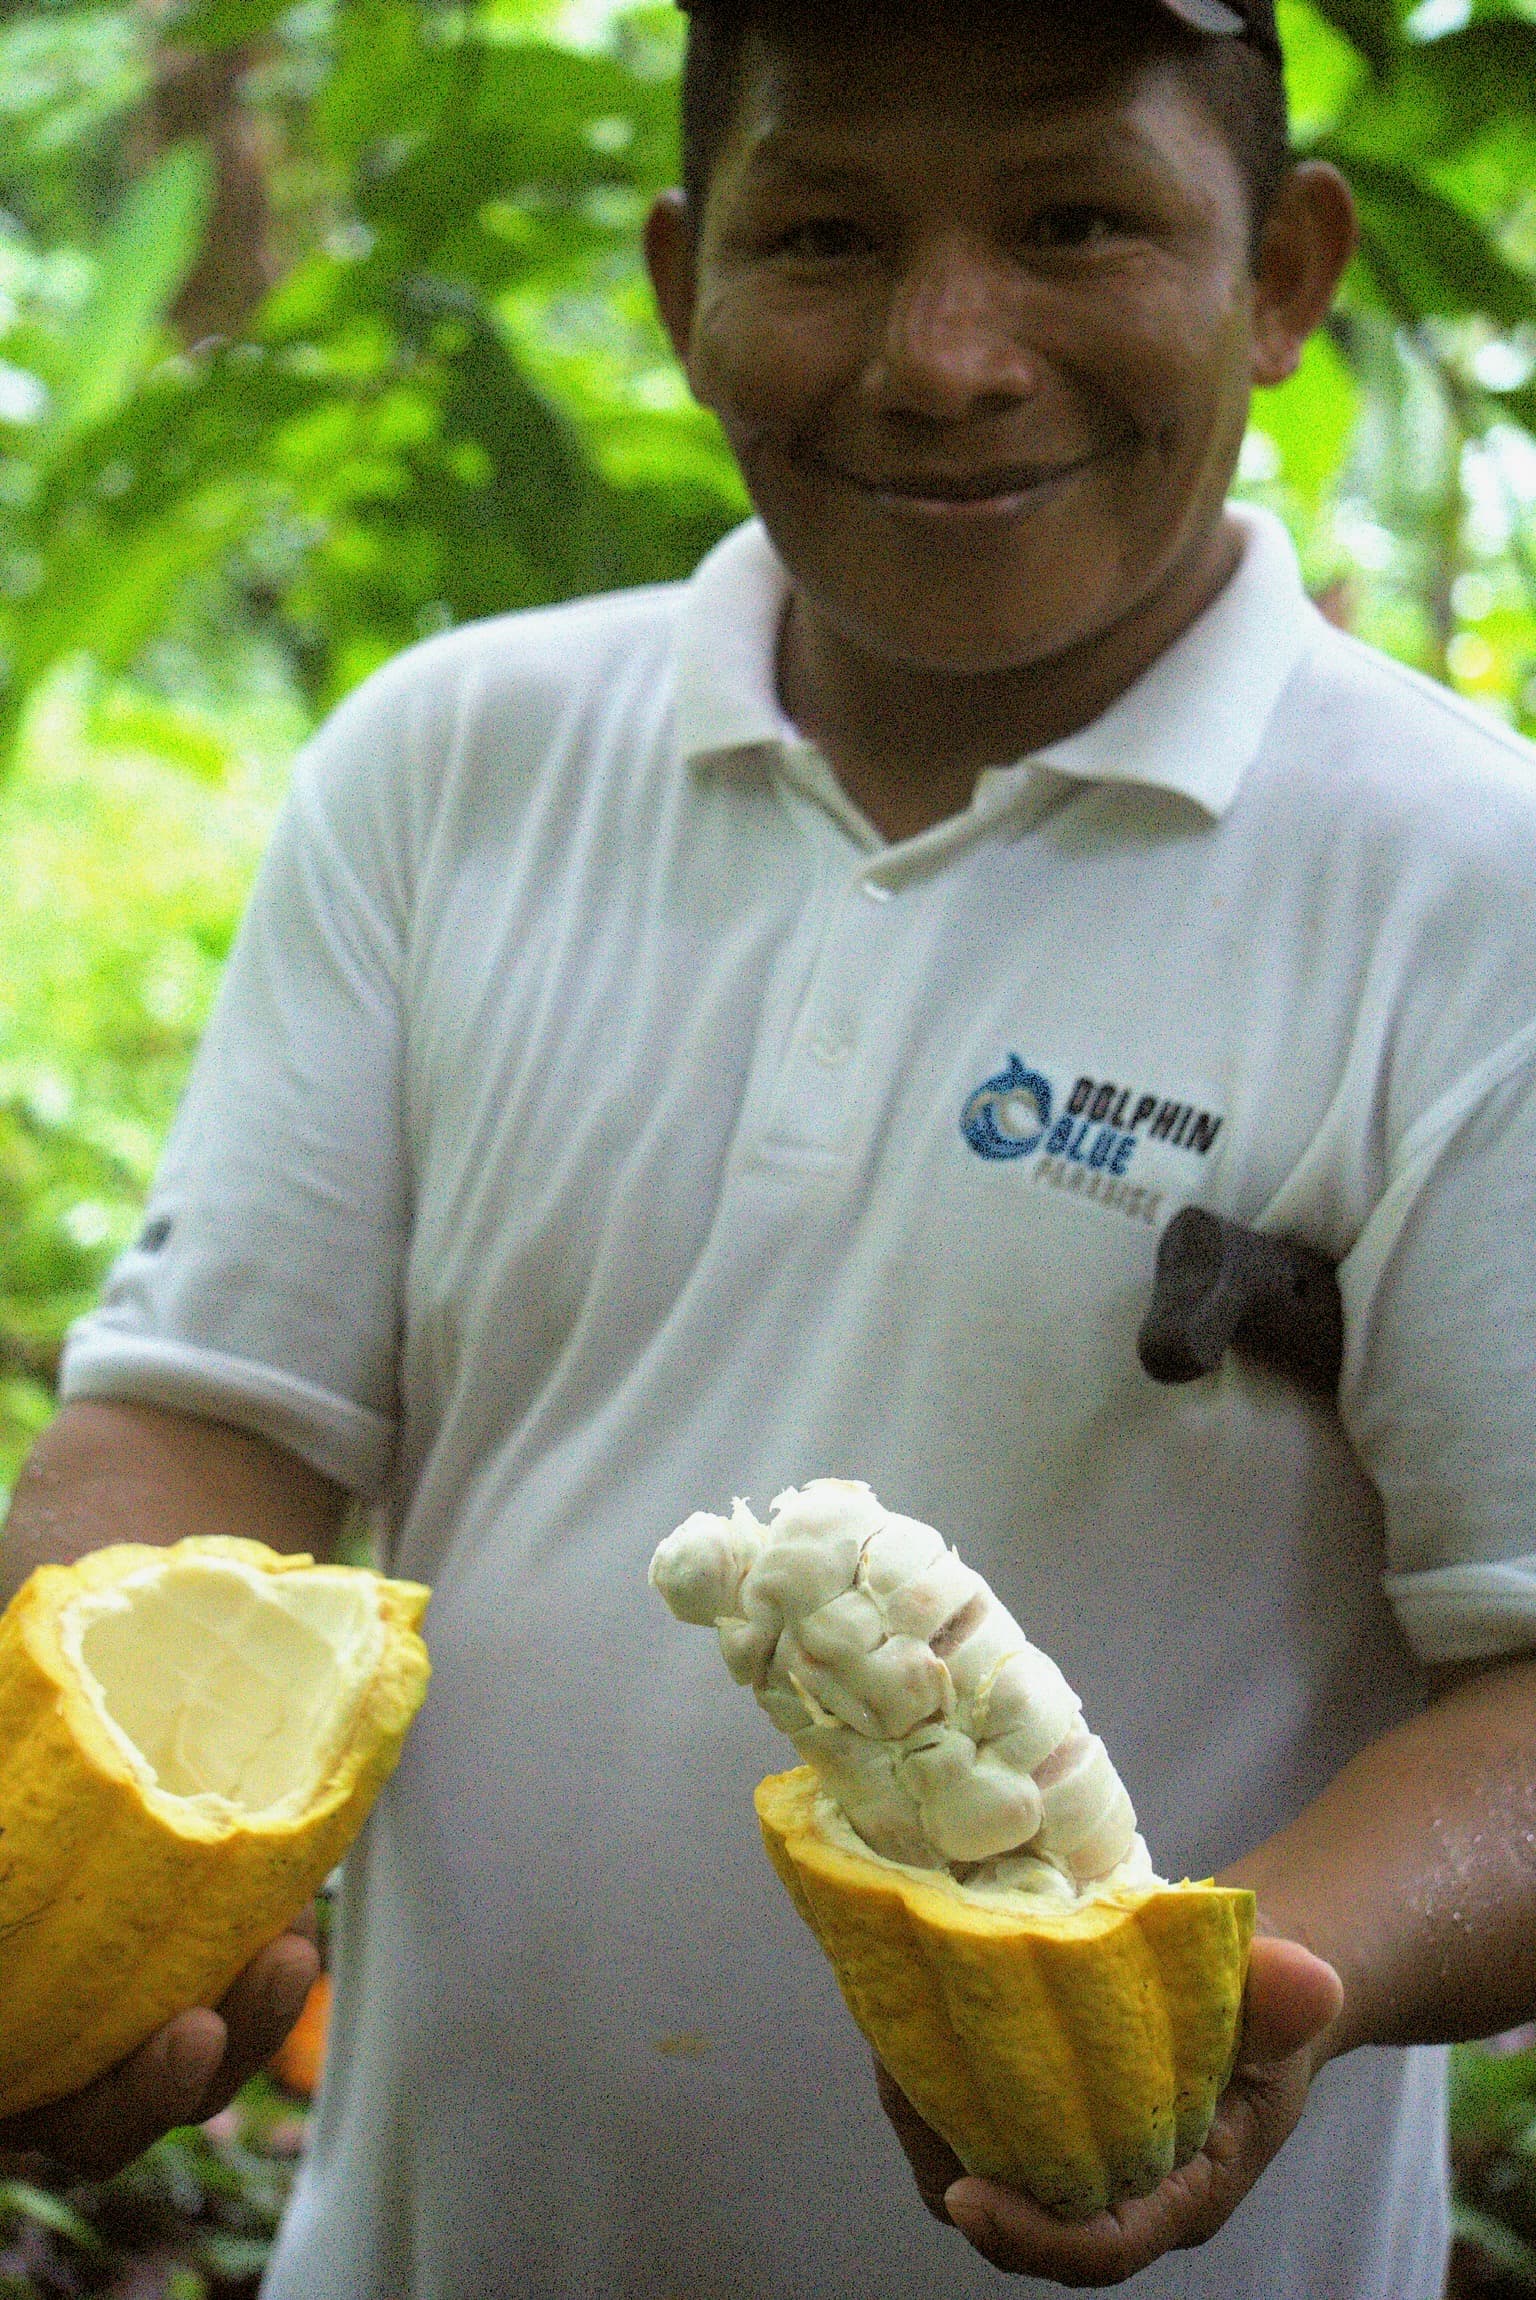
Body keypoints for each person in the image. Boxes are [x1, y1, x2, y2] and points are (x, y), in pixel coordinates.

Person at [4, 0, 1536, 2290]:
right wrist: (69, 1858)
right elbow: (208, 1424)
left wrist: (1216, 1993)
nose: (943, 355)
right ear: (676, 281)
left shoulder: (1467, 886)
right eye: (820, 233)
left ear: (1286, 270)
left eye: (1076, 221)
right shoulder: (451, 766)